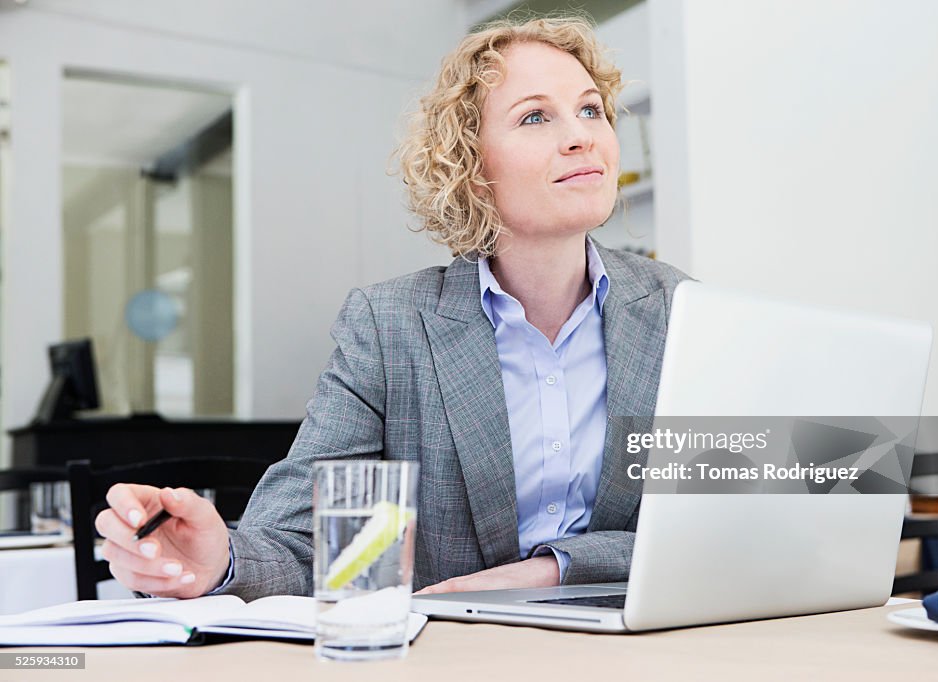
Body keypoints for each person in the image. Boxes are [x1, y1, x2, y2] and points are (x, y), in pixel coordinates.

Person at [95, 15, 688, 600]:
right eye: (535, 116)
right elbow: (306, 542)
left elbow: (744, 518)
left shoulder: (681, 313)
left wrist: (555, 568)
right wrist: (221, 559)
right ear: (472, 168)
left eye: (591, 110)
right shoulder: (388, 327)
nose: (582, 134)